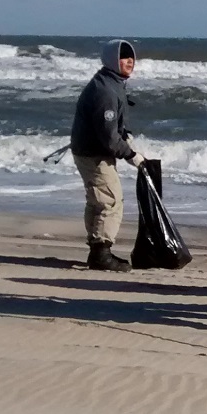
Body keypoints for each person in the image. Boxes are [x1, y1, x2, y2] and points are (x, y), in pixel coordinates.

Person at [69, 39, 146, 272]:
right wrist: (131, 154)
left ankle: (96, 248)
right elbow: (109, 137)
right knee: (110, 201)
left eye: (131, 57)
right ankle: (101, 253)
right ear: (112, 60)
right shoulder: (105, 90)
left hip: (88, 150)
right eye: (124, 58)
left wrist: (127, 137)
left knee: (97, 200)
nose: (129, 61)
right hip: (94, 154)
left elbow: (117, 127)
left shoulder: (112, 82)